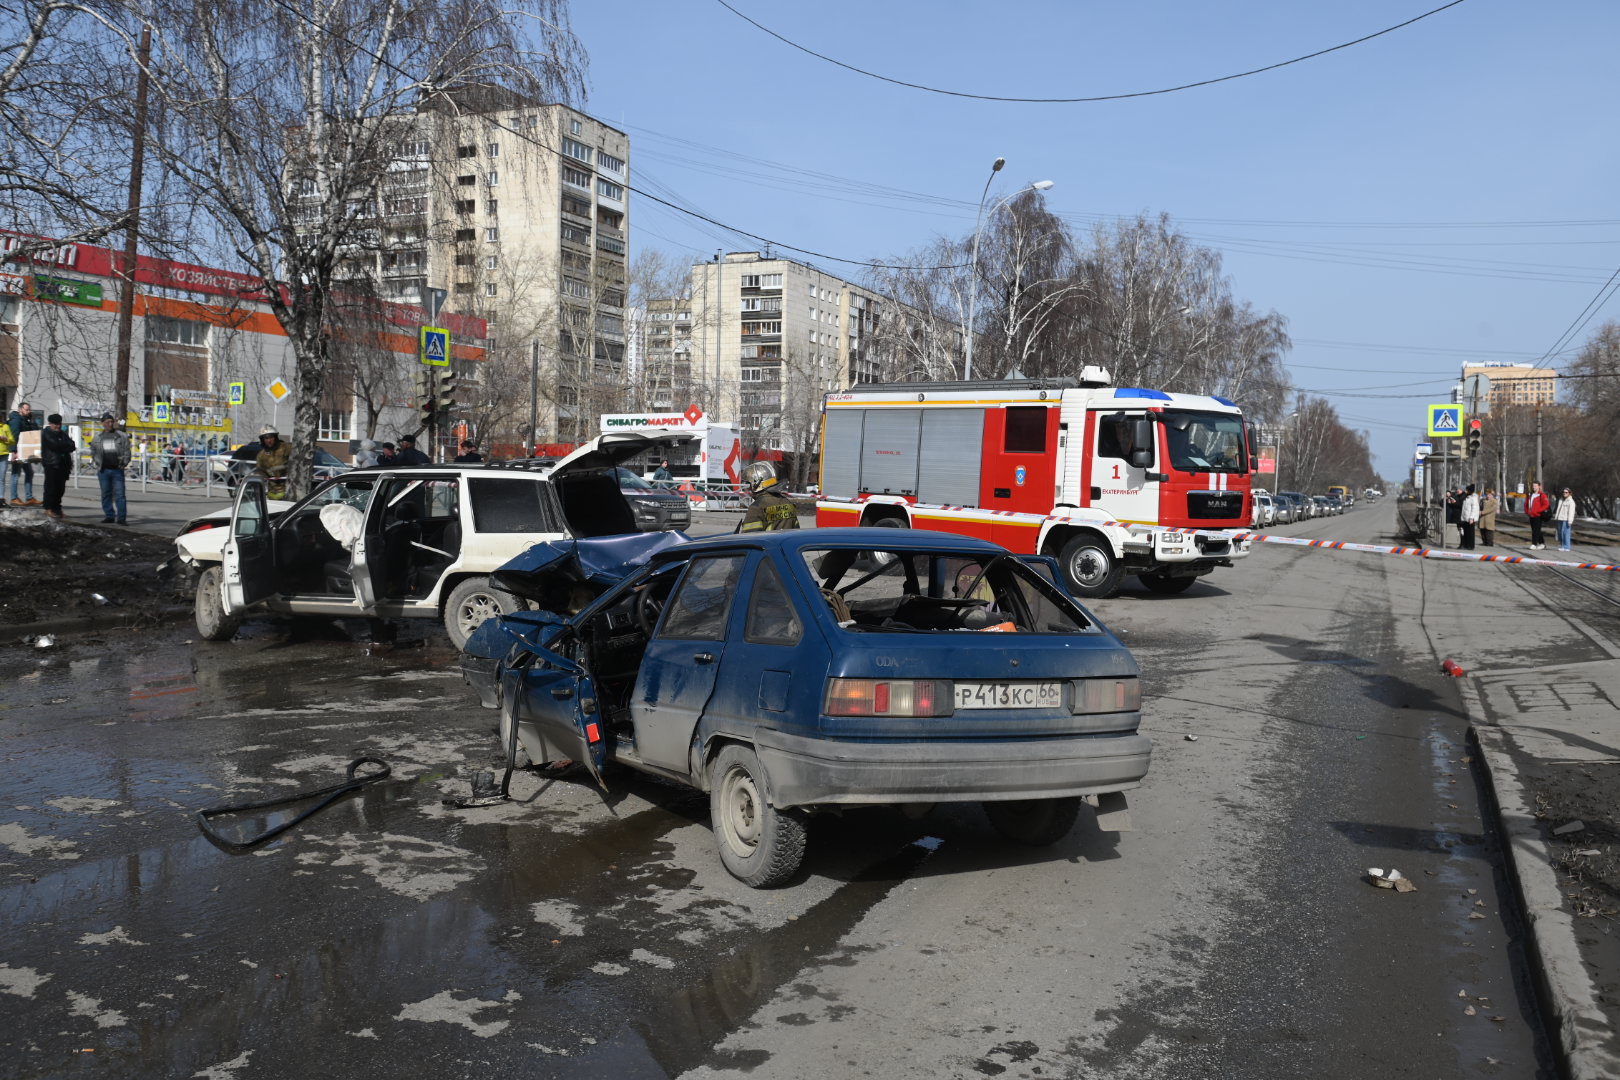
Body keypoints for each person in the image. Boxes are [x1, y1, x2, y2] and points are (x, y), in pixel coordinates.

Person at [90, 413, 131, 524]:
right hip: (103, 470)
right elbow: (93, 450)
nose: (110, 424)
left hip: (117, 469)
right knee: (106, 494)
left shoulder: (121, 435)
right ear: (103, 423)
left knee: (120, 494)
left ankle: (121, 518)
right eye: (107, 422)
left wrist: (124, 463)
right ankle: (109, 515)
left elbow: (127, 450)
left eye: (112, 421)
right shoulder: (98, 437)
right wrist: (97, 462)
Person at [737, 461, 799, 532]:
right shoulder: (788, 503)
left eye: (749, 484)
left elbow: (748, 538)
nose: (749, 488)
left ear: (756, 484)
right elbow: (796, 531)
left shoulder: (756, 508)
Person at [39, 413, 76, 519]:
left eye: (59, 424)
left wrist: (63, 446)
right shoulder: (46, 433)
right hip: (52, 464)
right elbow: (54, 445)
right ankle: (48, 508)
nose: (58, 426)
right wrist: (64, 446)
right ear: (50, 424)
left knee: (60, 489)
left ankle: (57, 509)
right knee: (51, 487)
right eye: (55, 424)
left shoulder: (62, 434)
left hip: (63, 465)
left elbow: (72, 445)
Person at [8, 401, 39, 505]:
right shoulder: (16, 420)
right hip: (18, 451)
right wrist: (14, 451)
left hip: (25, 452)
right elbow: (14, 436)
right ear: (20, 409)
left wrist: (32, 420)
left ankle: (29, 497)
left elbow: (34, 432)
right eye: (27, 409)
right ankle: (14, 498)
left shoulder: (26, 420)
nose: (28, 411)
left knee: (29, 473)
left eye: (29, 409)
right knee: (15, 474)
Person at [253, 424, 292, 494]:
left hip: (289, 488)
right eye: (266, 438)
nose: (269, 440)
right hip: (273, 490)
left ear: (275, 437)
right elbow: (261, 471)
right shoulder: (261, 456)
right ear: (262, 440)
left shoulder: (286, 448)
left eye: (271, 437)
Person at [1526, 481, 1551, 550]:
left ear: (1539, 486)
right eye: (1533, 486)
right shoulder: (1531, 494)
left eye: (1535, 486)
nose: (1534, 487)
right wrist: (1527, 511)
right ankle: (1542, 543)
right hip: (1531, 515)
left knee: (1536, 530)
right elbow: (1527, 503)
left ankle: (1534, 544)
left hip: (1538, 515)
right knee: (1536, 530)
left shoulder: (1542, 495)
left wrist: (1539, 510)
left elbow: (1546, 504)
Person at [1554, 486, 1577, 551]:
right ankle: (1563, 545)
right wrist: (1556, 517)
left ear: (1569, 493)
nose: (1564, 493)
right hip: (1560, 518)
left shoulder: (1571, 501)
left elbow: (1571, 512)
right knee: (1560, 533)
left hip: (1566, 519)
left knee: (1566, 533)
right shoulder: (1561, 500)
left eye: (1566, 492)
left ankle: (1567, 547)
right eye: (1563, 492)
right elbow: (1558, 509)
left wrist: (1570, 521)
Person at [1459, 484, 1479, 550]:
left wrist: (1471, 518)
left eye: (1467, 490)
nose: (1466, 491)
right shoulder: (1467, 497)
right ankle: (1466, 545)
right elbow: (1464, 508)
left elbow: (1474, 509)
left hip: (1470, 519)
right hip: (1465, 518)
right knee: (1466, 532)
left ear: (1470, 491)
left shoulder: (1473, 498)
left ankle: (1470, 546)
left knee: (1470, 533)